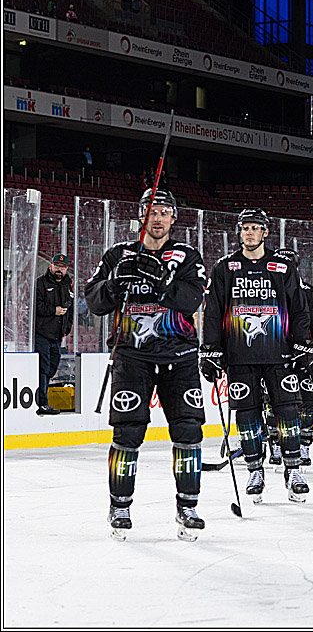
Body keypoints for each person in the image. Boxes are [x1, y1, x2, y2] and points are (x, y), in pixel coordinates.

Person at [84, 189, 207, 541]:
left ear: (173, 218)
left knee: (188, 431)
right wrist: (113, 283)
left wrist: (162, 282)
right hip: (131, 358)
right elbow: (94, 301)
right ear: (142, 216)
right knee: (127, 433)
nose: (158, 218)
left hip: (179, 357)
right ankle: (119, 505)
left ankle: (188, 506)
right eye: (152, 211)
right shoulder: (118, 254)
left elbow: (193, 298)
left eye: (165, 212)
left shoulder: (186, 256)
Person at [200, 208, 313, 504]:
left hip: (280, 356)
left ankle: (293, 470)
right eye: (245, 228)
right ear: (239, 232)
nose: (249, 232)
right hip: (239, 355)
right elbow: (213, 312)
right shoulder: (225, 268)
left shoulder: (283, 266)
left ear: (265, 232)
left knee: (288, 412)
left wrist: (302, 344)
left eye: (255, 228)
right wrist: (210, 349)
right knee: (247, 414)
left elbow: (300, 310)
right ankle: (254, 469)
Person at [271, 249, 313, 467]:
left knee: (308, 404)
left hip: (305, 358)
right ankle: (276, 445)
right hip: (276, 358)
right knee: (273, 403)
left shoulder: (311, 294)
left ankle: (303, 446)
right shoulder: (267, 294)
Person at [34, 253, 74, 416]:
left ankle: (41, 396)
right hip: (41, 333)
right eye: (57, 266)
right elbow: (36, 306)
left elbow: (70, 310)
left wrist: (66, 329)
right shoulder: (40, 283)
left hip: (57, 336)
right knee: (43, 368)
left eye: (63, 267)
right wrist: (54, 310)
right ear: (50, 266)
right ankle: (42, 403)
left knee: (52, 367)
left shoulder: (67, 285)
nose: (59, 269)